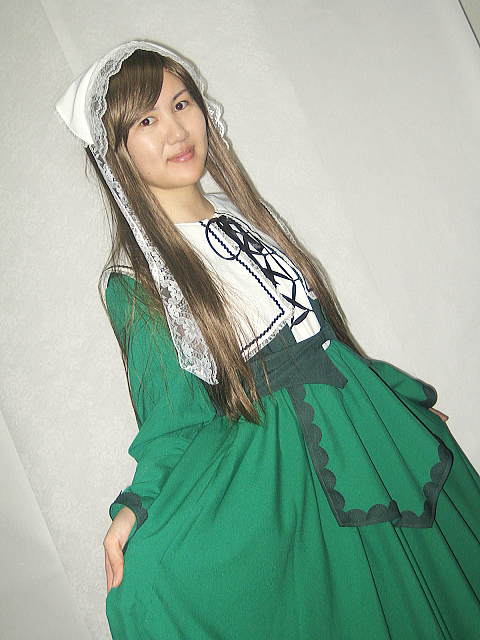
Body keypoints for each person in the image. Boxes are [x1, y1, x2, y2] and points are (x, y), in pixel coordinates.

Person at [55, 40, 480, 639]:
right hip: (292, 470)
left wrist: (397, 400)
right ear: (114, 150)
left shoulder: (244, 217)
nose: (175, 130)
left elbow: (324, 340)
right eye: (146, 121)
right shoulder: (139, 280)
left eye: (181, 103)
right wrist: (138, 506)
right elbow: (174, 419)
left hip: (360, 432)